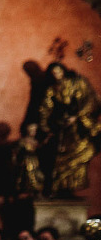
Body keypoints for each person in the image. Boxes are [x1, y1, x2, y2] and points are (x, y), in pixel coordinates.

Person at [38, 62, 99, 198]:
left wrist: (77, 116)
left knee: (81, 154)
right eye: (54, 74)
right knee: (60, 158)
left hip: (80, 127)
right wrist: (45, 126)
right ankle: (61, 188)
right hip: (62, 127)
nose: (57, 75)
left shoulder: (78, 82)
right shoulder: (52, 89)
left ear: (64, 71)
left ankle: (71, 188)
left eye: (59, 72)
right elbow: (45, 109)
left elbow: (91, 100)